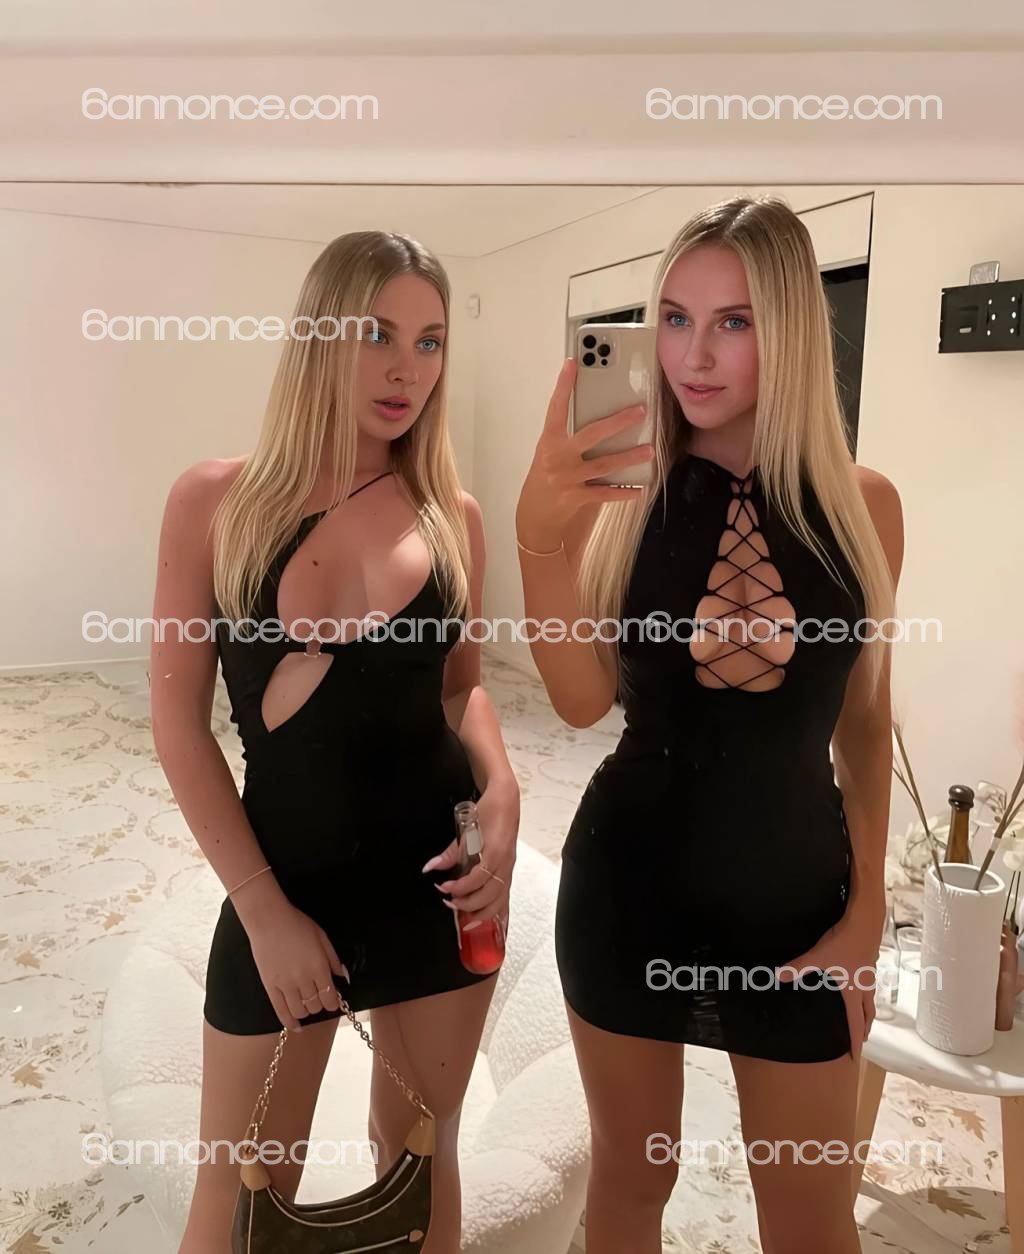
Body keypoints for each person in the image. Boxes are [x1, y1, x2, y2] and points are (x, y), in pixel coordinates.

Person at [515, 194, 903, 1254]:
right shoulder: (617, 496)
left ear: (791, 330)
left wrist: (870, 911)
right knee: (631, 1187)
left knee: (811, 1218)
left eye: (733, 321)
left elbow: (864, 723)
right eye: (676, 318)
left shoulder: (864, 506)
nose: (694, 354)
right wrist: (538, 539)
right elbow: (578, 702)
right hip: (627, 893)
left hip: (799, 913)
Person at [150, 231, 520, 1254]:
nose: (408, 369)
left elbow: (461, 688)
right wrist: (262, 912)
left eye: (431, 341)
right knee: (237, 1194)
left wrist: (502, 788)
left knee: (419, 1164)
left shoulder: (452, 515)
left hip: (439, 890)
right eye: (377, 334)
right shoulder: (215, 501)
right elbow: (178, 728)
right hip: (285, 887)